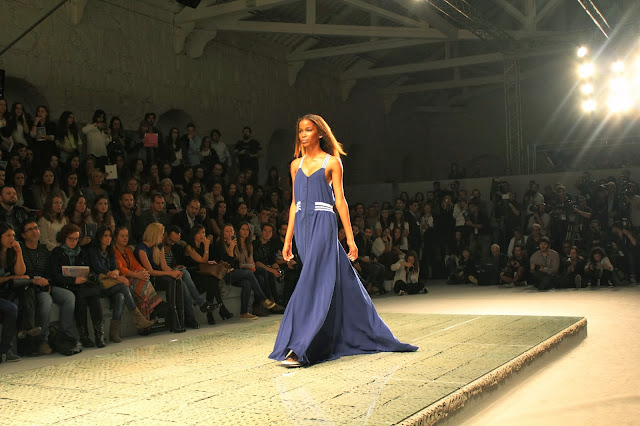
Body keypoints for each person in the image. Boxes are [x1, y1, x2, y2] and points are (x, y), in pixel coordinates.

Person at [269, 114, 417, 368]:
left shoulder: (332, 162)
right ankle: (330, 337)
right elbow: (294, 204)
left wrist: (350, 238)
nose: (303, 134)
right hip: (302, 227)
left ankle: (300, 347)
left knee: (311, 282)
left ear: (320, 133)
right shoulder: (295, 165)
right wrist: (287, 239)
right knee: (331, 282)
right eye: (300, 130)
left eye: (308, 130)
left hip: (323, 223)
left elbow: (340, 201)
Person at [87, 226, 153, 342]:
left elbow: (116, 267)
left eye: (109, 236)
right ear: (100, 237)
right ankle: (138, 318)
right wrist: (117, 276)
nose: (108, 238)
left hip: (111, 283)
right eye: (105, 236)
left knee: (121, 296)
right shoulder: (93, 251)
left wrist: (116, 273)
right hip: (100, 284)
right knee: (123, 286)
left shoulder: (110, 251)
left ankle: (114, 331)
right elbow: (98, 268)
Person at [50, 224, 105, 348]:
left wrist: (88, 276)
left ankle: (99, 335)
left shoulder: (81, 252)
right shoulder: (57, 252)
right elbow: (55, 275)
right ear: (64, 237)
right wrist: (73, 280)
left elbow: (89, 269)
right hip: (67, 286)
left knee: (94, 298)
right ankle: (84, 336)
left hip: (83, 285)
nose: (74, 242)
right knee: (80, 300)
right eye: (71, 239)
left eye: (76, 239)